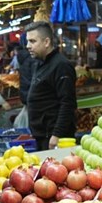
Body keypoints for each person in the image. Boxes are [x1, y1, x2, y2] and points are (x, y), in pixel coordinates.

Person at [25, 21, 76, 150]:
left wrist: (57, 134)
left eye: (32, 41)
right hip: (42, 136)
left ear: (46, 42)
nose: (28, 46)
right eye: (27, 41)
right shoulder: (40, 63)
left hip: (53, 139)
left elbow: (68, 103)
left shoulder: (61, 65)